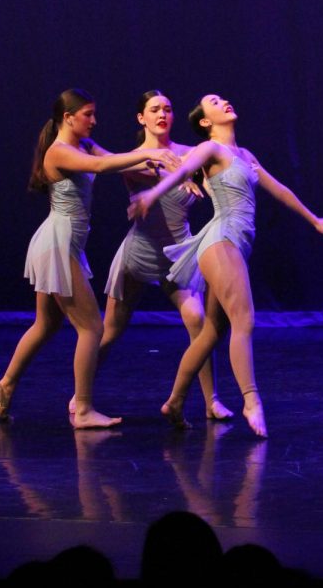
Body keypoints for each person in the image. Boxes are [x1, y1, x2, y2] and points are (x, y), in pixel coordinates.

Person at [128, 94, 323, 436]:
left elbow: (279, 189)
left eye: (224, 99)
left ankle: (174, 401)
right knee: (243, 320)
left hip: (234, 245)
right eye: (215, 102)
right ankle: (252, 401)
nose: (226, 102)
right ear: (205, 121)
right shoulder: (210, 149)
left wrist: (314, 219)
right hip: (222, 240)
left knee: (212, 333)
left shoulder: (245, 156)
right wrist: (151, 195)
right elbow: (184, 169)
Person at [0, 88, 178, 430]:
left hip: (64, 243)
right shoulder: (58, 153)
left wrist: (157, 162)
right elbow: (104, 165)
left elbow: (114, 156)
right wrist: (152, 158)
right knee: (91, 327)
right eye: (88, 114)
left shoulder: (83, 145)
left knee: (46, 324)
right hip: (58, 243)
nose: (94, 121)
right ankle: (84, 408)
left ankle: (6, 384)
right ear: (68, 118)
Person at [94, 90, 233, 420]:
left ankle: (211, 401)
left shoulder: (191, 155)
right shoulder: (132, 159)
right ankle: (80, 397)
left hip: (179, 255)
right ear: (141, 118)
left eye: (168, 109)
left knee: (199, 321)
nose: (162, 114)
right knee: (110, 331)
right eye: (154, 109)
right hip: (140, 253)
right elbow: (106, 161)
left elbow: (219, 170)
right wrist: (165, 168)